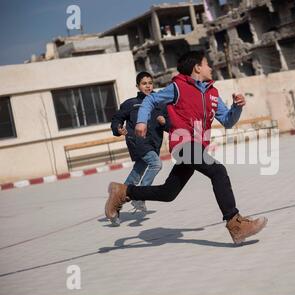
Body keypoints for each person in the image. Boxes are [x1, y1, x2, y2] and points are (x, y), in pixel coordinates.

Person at [105, 51, 267, 244]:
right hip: (183, 145)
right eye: (207, 64)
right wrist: (141, 121)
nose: (210, 67)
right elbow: (150, 100)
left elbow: (227, 121)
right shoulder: (178, 88)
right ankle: (235, 224)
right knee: (218, 172)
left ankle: (123, 192)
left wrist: (237, 107)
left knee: (168, 193)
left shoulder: (213, 93)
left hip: (197, 148)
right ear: (197, 67)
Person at [110, 71, 170, 224]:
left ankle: (116, 202)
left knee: (136, 173)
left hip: (154, 143)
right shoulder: (131, 104)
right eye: (144, 83)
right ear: (138, 86)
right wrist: (118, 128)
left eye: (150, 83)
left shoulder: (161, 103)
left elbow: (170, 125)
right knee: (156, 164)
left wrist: (165, 122)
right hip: (137, 141)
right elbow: (117, 119)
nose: (148, 86)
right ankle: (140, 196)